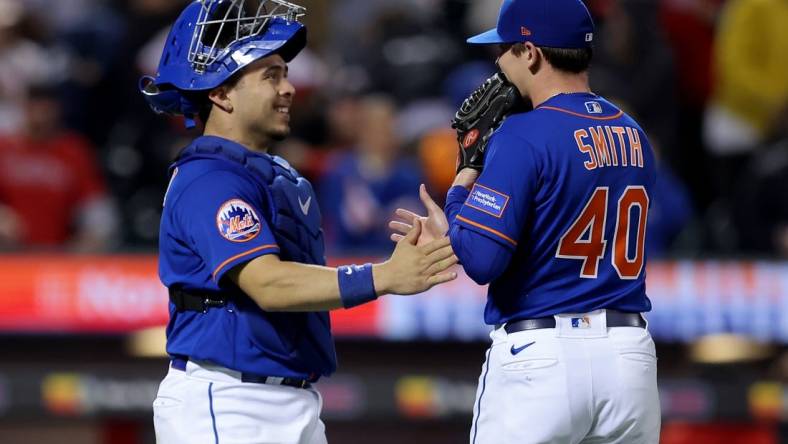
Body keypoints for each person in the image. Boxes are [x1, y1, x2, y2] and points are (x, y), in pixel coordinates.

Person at [139, 1, 458, 443]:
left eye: (285, 74)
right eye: (270, 76)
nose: (288, 88)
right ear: (220, 93)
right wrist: (384, 276)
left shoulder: (267, 174)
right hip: (228, 401)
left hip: (290, 400)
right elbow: (268, 284)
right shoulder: (209, 179)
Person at [390, 0, 660, 442]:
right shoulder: (634, 132)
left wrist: (461, 187)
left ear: (531, 53)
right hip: (630, 357)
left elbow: (481, 260)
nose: (498, 61)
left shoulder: (522, 134)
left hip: (544, 355)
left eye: (507, 49)